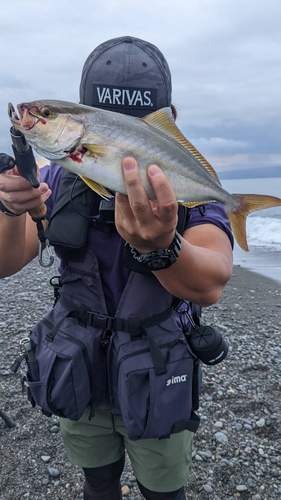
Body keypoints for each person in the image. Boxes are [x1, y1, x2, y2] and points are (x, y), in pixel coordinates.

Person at [0, 36, 233, 500]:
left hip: (159, 368)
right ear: (91, 120)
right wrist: (10, 208)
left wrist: (163, 247)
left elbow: (211, 282)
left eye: (137, 126)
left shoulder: (186, 184)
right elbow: (6, 262)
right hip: (77, 364)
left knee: (163, 490)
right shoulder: (56, 176)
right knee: (97, 481)